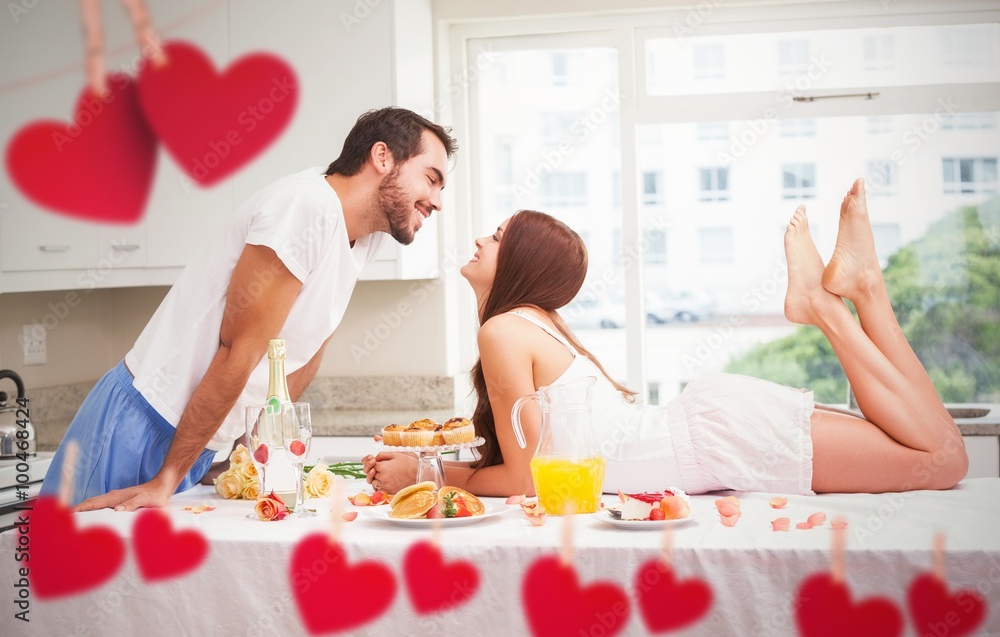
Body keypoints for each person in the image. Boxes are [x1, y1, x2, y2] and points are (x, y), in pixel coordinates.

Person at [364, 179, 969, 497]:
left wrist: (427, 475)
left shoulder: (504, 329)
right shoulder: (531, 327)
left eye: (496, 236)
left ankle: (832, 305)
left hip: (714, 438)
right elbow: (528, 460)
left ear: (520, 262)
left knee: (944, 460)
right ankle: (864, 292)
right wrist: (427, 463)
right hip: (713, 429)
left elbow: (523, 481)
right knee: (937, 451)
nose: (478, 240)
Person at [44, 107, 457, 510]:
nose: (437, 201)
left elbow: (303, 352)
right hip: (143, 421)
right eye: (431, 179)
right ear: (382, 157)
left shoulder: (366, 237)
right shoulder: (305, 207)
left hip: (194, 441)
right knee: (66, 570)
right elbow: (238, 349)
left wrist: (254, 449)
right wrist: (168, 477)